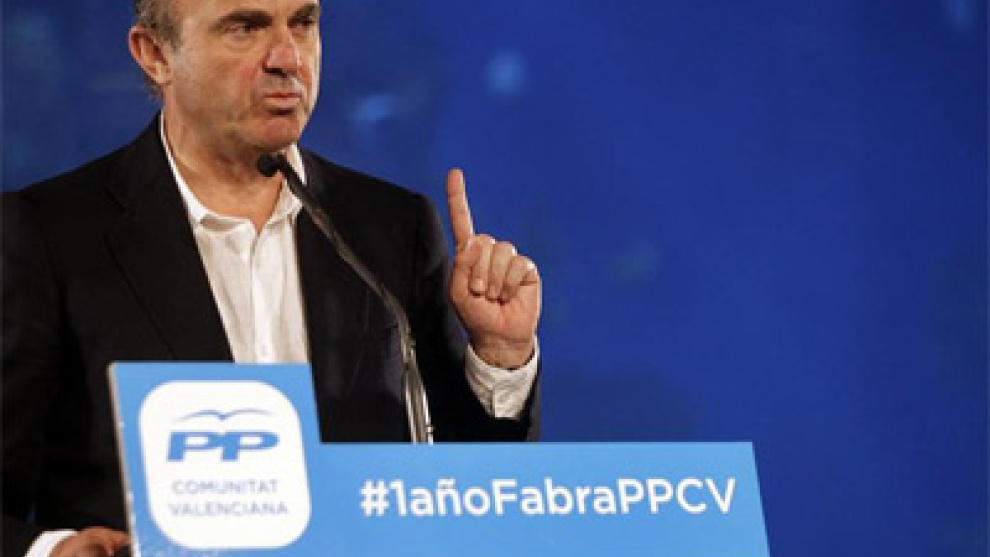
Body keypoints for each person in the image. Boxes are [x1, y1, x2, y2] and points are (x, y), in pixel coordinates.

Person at [2, 1, 542, 556]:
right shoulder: (49, 235)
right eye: (245, 28)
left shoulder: (391, 229)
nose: (288, 58)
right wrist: (52, 550)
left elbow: (465, 497)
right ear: (155, 54)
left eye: (303, 24)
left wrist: (500, 357)